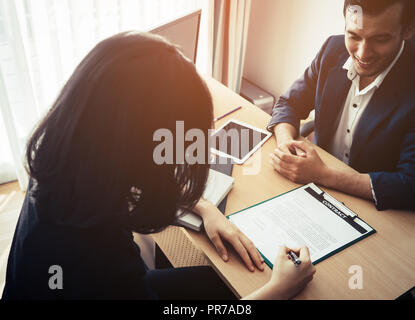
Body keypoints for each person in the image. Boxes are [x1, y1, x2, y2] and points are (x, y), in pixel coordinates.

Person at [2, 32, 315, 300]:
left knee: (212, 283)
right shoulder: (98, 255)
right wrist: (278, 290)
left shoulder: (65, 154)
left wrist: (205, 208)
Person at [268, 0, 415, 211]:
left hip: (372, 209)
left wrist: (322, 174)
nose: (363, 54)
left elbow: (409, 185)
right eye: (354, 36)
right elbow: (289, 103)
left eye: (380, 39)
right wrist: (285, 146)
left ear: (408, 29)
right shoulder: (332, 49)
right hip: (310, 190)